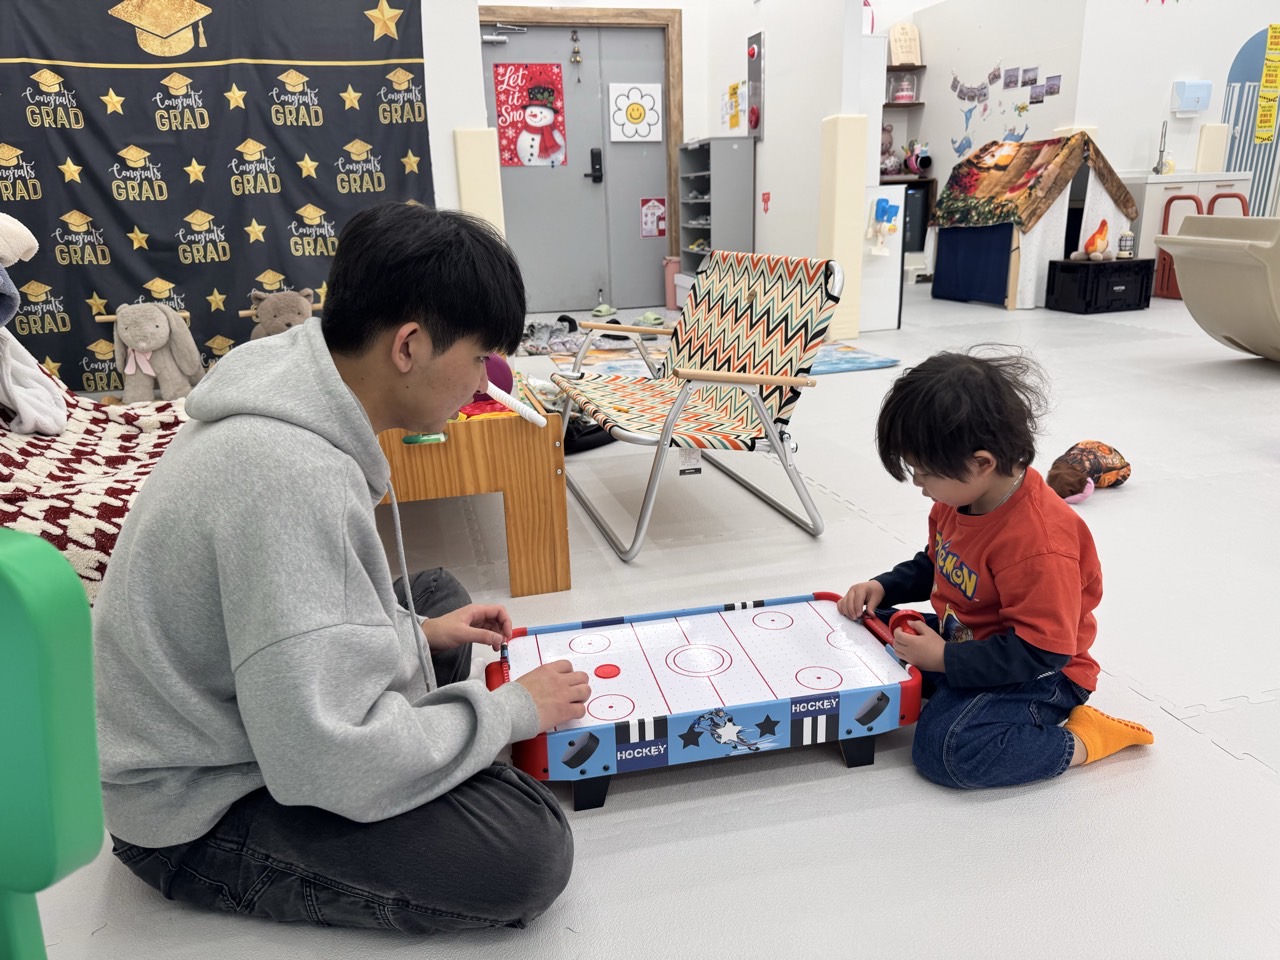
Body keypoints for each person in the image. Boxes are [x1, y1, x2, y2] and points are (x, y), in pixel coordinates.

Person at [94, 202, 591, 932]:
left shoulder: (296, 386)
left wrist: (418, 631)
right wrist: (512, 711)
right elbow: (320, 760)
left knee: (436, 595)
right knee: (528, 852)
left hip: (242, 707)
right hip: (195, 805)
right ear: (409, 346)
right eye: (480, 358)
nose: (485, 385)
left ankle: (424, 717)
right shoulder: (291, 474)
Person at [837, 349, 1152, 789]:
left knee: (947, 751)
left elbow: (1042, 652)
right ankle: (950, 687)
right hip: (967, 636)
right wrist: (883, 587)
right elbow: (939, 562)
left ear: (982, 463)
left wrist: (943, 659)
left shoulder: (1039, 545)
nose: (918, 483)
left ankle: (1084, 739)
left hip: (1041, 671)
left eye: (924, 471)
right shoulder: (960, 498)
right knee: (862, 626)